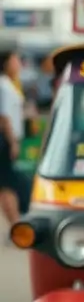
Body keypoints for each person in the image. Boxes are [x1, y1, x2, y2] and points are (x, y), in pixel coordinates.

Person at [0, 49, 24, 228]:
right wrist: (13, 142)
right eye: (15, 60)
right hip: (5, 140)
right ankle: (15, 224)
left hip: (9, 138)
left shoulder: (10, 84)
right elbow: (4, 117)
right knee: (8, 184)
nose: (19, 64)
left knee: (8, 183)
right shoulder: (3, 86)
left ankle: (15, 222)